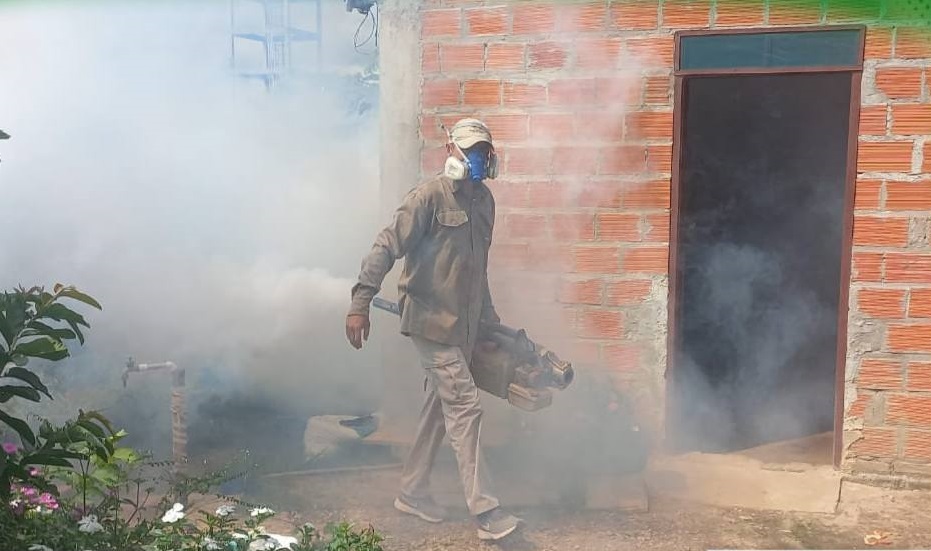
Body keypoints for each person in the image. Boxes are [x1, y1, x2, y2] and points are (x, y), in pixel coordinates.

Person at [345, 118, 521, 541]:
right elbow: (385, 246)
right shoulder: (427, 197)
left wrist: (489, 322)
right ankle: (487, 512)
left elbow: (478, 271)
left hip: (464, 324)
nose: (477, 160)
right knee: (464, 405)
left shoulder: (485, 203)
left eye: (483, 152)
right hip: (429, 320)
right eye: (470, 151)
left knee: (442, 408)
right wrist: (360, 302)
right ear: (451, 151)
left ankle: (412, 492)